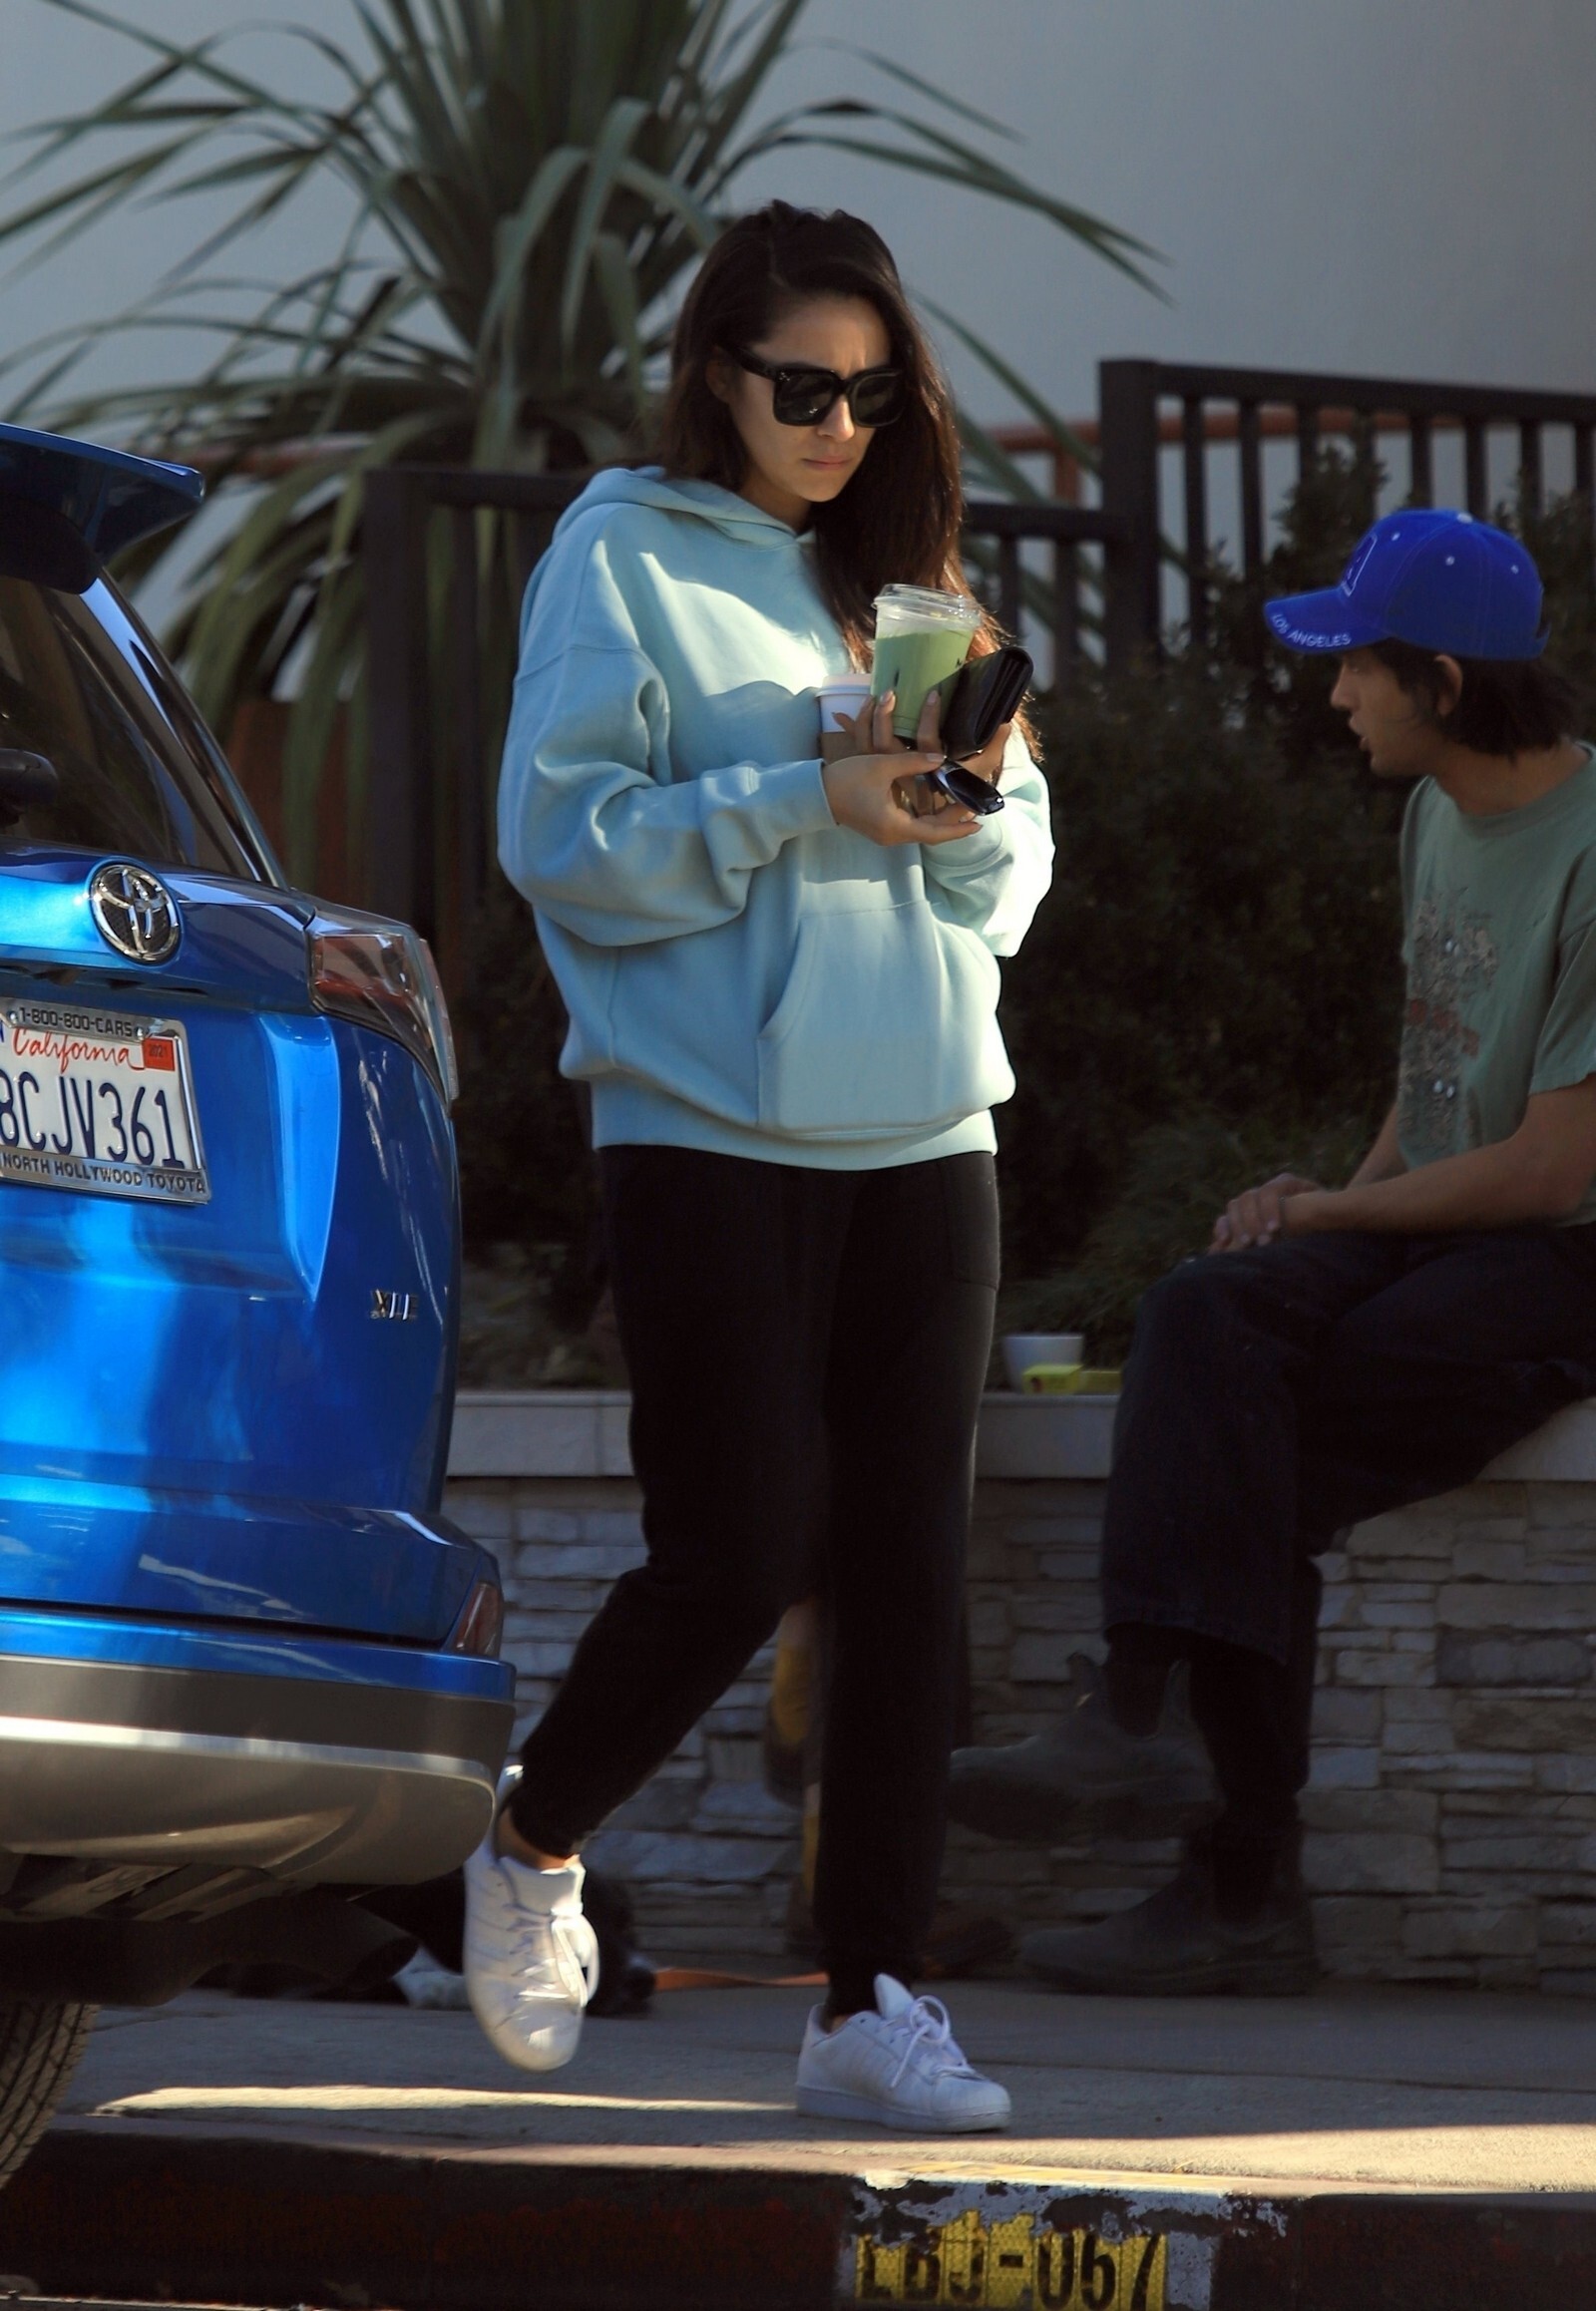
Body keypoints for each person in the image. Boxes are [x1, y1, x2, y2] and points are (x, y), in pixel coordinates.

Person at [470, 201, 1052, 2129]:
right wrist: (803, 797)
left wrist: (962, 804)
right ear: (716, 374)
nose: (837, 427)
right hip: (704, 1123)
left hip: (927, 1120)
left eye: (873, 396)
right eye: (804, 388)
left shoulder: (918, 586)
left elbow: (1009, 882)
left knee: (906, 1583)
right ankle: (531, 1842)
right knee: (735, 1548)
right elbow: (562, 839)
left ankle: (872, 2000)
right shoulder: (620, 551)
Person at [948, 508, 1596, 1996]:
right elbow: (1441, 1064)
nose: (1335, 694)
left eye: (1357, 667)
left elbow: (1553, 1167)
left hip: (1570, 1254)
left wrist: (1331, 1222)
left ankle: (1234, 1884)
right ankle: (1138, 1718)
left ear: (1441, 681)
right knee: (1206, 1309)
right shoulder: (1438, 814)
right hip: (1459, 1221)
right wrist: (1330, 1210)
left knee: (1254, 1452)